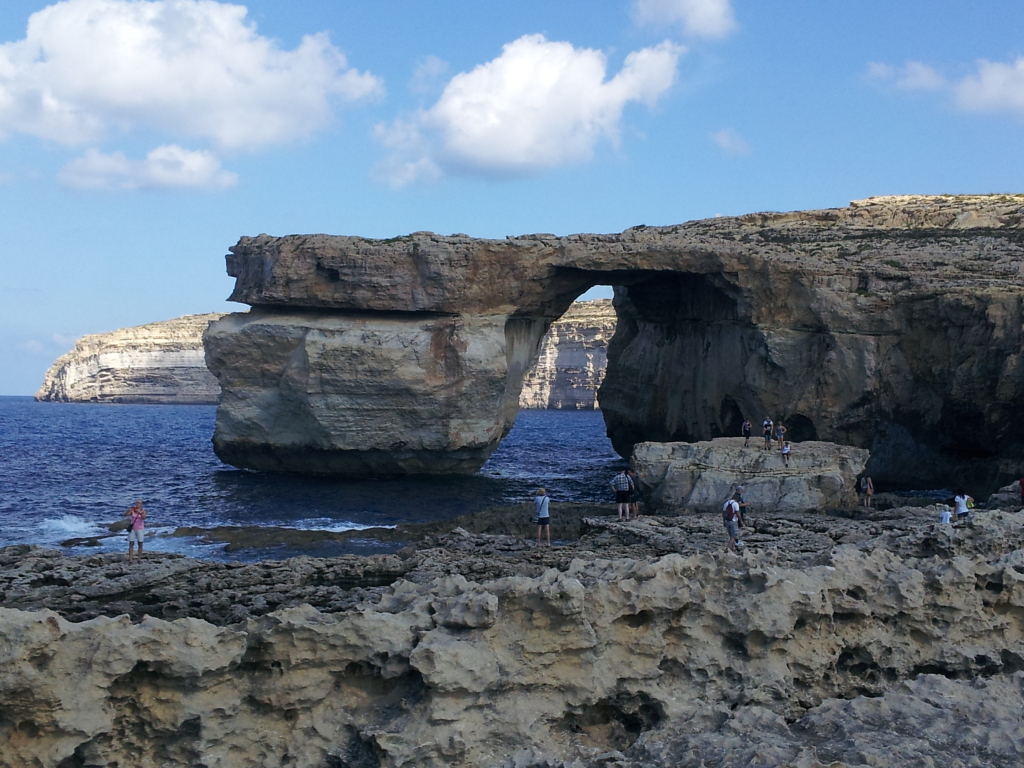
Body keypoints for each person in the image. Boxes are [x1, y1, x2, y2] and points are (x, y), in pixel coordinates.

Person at [124, 500, 147, 564]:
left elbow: (143, 517)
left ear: (141, 504)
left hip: (140, 529)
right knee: (131, 543)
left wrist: (139, 512)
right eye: (137, 503)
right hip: (133, 529)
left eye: (139, 503)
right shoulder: (133, 510)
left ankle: (139, 559)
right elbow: (125, 515)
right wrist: (130, 510)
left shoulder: (143, 511)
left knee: (140, 543)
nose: (137, 504)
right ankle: (130, 559)